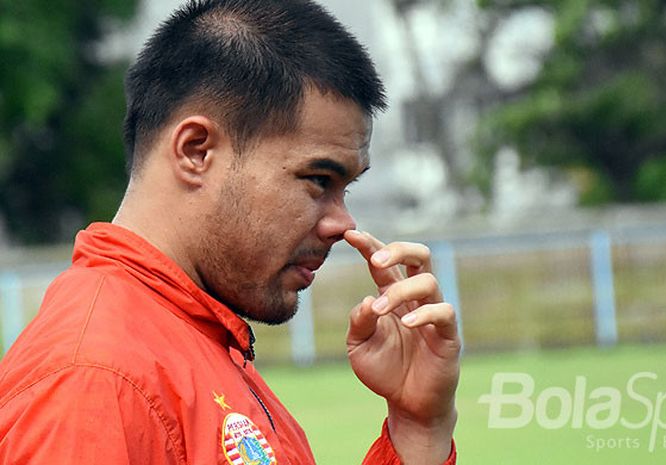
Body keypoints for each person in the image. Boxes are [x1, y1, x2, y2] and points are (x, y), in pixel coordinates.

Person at [0, 0, 461, 463]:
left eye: (345, 188)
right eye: (319, 180)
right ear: (196, 151)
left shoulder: (188, 336)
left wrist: (418, 428)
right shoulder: (96, 379)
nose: (344, 223)